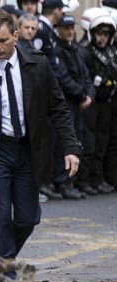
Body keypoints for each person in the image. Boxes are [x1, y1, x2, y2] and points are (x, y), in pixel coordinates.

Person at [0, 10, 81, 264]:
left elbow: (59, 109)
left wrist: (71, 148)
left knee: (28, 218)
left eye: (2, 41)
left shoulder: (38, 65)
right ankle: (4, 277)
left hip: (28, 151)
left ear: (15, 36)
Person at [54, 14, 94, 198]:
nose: (70, 31)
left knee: (78, 139)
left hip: (78, 102)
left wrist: (88, 96)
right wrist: (81, 95)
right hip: (68, 102)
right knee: (65, 142)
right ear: (59, 29)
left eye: (72, 28)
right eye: (66, 28)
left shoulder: (74, 49)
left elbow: (85, 75)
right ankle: (62, 181)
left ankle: (70, 180)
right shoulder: (58, 50)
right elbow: (63, 78)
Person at [79, 12, 117, 194]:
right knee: (90, 142)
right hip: (91, 103)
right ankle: (86, 180)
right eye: (99, 34)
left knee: (104, 142)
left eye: (106, 34)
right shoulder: (85, 51)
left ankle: (99, 177)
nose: (102, 38)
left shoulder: (110, 52)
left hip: (107, 103)